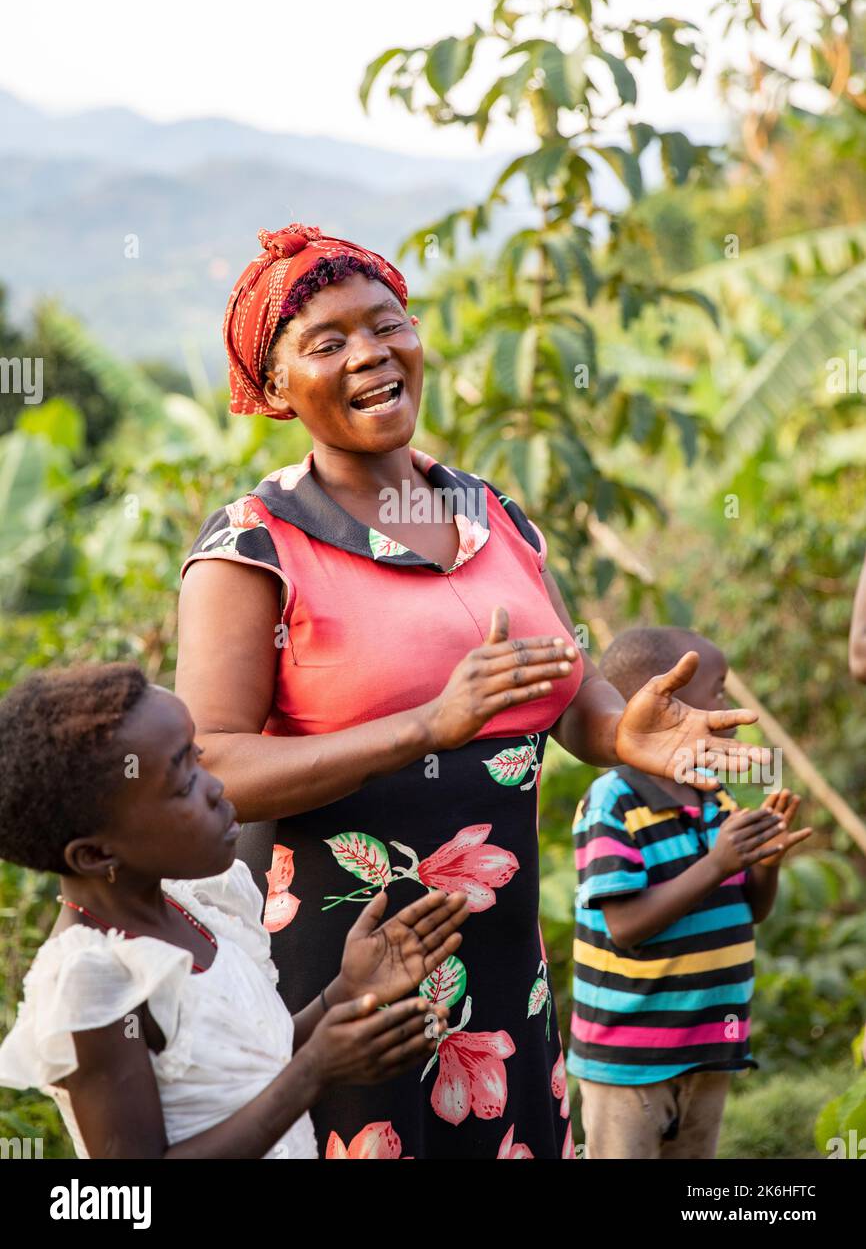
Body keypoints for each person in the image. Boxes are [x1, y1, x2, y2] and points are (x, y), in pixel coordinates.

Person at [175, 222, 769, 1160]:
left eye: (387, 324)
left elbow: (564, 694)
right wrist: (425, 727)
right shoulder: (254, 547)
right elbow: (212, 764)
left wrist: (624, 735)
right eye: (327, 342)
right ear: (275, 388)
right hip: (348, 976)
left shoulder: (494, 514)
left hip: (503, 976)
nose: (371, 353)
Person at [0, 663, 468, 1159]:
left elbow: (242, 1068)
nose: (217, 787)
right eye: (182, 787)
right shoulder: (94, 981)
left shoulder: (195, 901)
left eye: (199, 760)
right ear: (95, 855)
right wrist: (313, 1072)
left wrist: (343, 994)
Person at [568, 626, 811, 1160]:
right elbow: (626, 927)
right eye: (719, 689)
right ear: (670, 705)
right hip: (629, 1064)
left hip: (707, 1050)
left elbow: (752, 909)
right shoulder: (613, 802)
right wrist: (717, 862)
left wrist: (763, 866)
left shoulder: (714, 796)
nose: (726, 705)